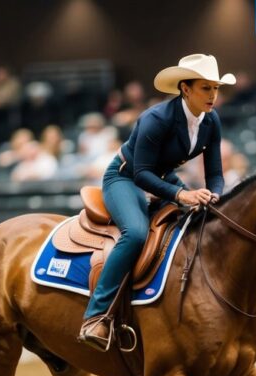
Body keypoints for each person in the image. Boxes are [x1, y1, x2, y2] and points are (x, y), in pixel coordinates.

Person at [78, 53, 235, 350]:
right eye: (206, 88)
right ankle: (96, 315)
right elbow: (141, 174)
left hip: (161, 177)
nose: (213, 95)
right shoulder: (156, 118)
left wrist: (214, 194)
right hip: (125, 177)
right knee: (136, 233)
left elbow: (215, 173)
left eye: (216, 88)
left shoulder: (211, 120)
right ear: (185, 89)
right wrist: (181, 194)